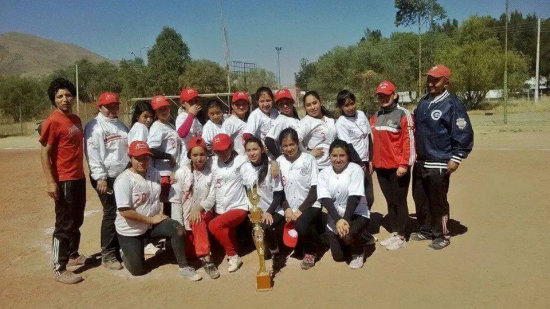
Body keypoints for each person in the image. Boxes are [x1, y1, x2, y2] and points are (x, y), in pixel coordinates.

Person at [114, 141, 201, 281]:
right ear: (130, 157)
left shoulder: (154, 173)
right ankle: (125, 252)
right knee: (138, 271)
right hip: (131, 229)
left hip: (151, 224)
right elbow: (125, 212)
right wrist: (151, 220)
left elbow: (157, 196)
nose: (142, 162)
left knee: (176, 228)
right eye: (137, 158)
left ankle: (184, 267)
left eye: (145, 158)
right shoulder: (123, 180)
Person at [411, 65, 474, 250]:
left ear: (446, 81)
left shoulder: (452, 104)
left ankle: (442, 235)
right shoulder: (423, 101)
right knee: (420, 199)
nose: (431, 83)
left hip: (439, 162)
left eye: (436, 80)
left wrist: (457, 157)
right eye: (429, 79)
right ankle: (425, 229)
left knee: (437, 201)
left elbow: (463, 131)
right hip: (421, 161)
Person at [40, 77, 86, 284]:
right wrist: (51, 182)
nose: (65, 99)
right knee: (64, 224)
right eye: (60, 96)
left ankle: (73, 254)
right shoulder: (52, 121)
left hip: (79, 177)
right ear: (54, 99)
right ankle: (59, 267)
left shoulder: (76, 119)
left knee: (77, 220)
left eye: (68, 95)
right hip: (64, 179)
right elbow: (44, 152)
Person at [84, 92, 129, 270]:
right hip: (105, 177)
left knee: (123, 210)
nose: (112, 109)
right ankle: (108, 254)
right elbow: (92, 154)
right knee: (110, 212)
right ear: (100, 108)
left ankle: (120, 248)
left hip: (122, 175)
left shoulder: (120, 125)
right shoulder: (94, 126)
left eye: (115, 106)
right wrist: (100, 177)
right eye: (108, 107)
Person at [370, 81, 415, 251]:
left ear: (394, 95)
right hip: (381, 168)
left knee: (400, 200)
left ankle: (402, 235)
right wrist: (373, 163)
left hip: (398, 168)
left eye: (387, 95)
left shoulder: (403, 114)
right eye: (380, 96)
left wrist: (404, 164)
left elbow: (408, 141)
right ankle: (395, 232)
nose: (383, 98)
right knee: (390, 201)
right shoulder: (375, 116)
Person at [169, 137, 220, 279]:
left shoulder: (211, 172)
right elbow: (175, 200)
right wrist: (178, 225)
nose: (199, 158)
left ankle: (207, 259)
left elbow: (212, 197)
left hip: (204, 213)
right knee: (190, 253)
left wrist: (199, 208)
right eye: (195, 155)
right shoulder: (182, 172)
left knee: (199, 219)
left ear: (207, 155)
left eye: (202, 154)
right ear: (189, 156)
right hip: (185, 217)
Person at [318, 140, 371, 269]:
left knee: (348, 234)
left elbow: (355, 197)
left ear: (347, 156)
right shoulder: (323, 174)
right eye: (334, 156)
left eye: (342, 155)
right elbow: (325, 200)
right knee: (339, 257)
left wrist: (345, 220)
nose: (338, 159)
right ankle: (347, 239)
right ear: (329, 156)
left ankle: (358, 251)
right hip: (336, 217)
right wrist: (337, 220)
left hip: (356, 214)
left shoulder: (355, 169)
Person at [275, 128, 321, 270]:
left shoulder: (309, 159)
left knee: (301, 225)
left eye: (292, 144)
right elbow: (279, 190)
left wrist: (300, 210)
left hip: (311, 204)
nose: (289, 149)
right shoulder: (279, 161)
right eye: (285, 146)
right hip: (290, 206)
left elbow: (314, 190)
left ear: (298, 143)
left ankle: (311, 251)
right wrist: (287, 208)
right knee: (278, 229)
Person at [241, 137, 285, 271]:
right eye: (248, 150)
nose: (252, 153)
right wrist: (250, 212)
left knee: (266, 227)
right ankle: (267, 248)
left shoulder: (272, 167)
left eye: (255, 149)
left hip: (274, 209)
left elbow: (278, 194)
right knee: (262, 251)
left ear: (262, 149)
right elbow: (246, 191)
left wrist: (269, 211)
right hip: (256, 210)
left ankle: (276, 254)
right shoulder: (244, 168)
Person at [209, 133, 250, 272]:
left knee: (214, 225)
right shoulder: (213, 162)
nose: (221, 153)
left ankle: (233, 257)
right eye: (217, 151)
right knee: (225, 231)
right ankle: (234, 250)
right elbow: (194, 162)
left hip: (239, 206)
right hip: (221, 207)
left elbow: (252, 177)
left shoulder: (241, 160)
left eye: (224, 149)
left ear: (231, 146)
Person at [335, 90, 374, 209]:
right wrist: (360, 164)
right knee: (355, 196)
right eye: (346, 105)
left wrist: (371, 159)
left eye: (352, 103)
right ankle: (352, 222)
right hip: (354, 163)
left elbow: (368, 137)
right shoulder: (341, 123)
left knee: (369, 197)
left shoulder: (361, 114)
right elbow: (348, 147)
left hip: (365, 162)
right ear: (341, 107)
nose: (350, 107)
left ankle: (364, 220)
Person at [147, 95, 181, 215]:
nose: (164, 111)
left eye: (165, 108)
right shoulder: (157, 127)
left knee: (172, 203)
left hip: (171, 170)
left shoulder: (168, 124)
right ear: (155, 112)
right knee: (168, 204)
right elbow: (151, 150)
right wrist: (168, 156)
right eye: (160, 109)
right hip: (163, 172)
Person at [297, 91, 336, 170]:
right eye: (308, 105)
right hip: (317, 167)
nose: (312, 107)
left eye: (315, 103)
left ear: (320, 102)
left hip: (333, 165)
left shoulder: (330, 120)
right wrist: (308, 153)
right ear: (304, 108)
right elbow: (295, 141)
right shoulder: (306, 122)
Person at [265, 88, 300, 158]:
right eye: (281, 104)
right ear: (278, 106)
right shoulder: (281, 120)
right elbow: (268, 140)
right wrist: (279, 157)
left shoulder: (296, 118)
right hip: (290, 159)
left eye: (287, 102)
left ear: (292, 102)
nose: (285, 106)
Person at [176, 88, 203, 163]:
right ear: (183, 104)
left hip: (199, 158)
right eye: (190, 101)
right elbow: (182, 133)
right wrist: (191, 115)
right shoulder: (182, 116)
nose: (194, 104)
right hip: (187, 159)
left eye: (196, 101)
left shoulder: (197, 119)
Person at [222, 91, 250, 155]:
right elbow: (223, 143)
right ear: (232, 106)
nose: (241, 107)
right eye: (237, 104)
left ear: (248, 105)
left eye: (244, 104)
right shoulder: (229, 123)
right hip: (236, 160)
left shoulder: (250, 120)